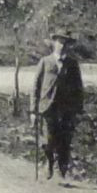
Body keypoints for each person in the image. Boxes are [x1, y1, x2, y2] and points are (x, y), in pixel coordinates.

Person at [32, 30, 85, 181]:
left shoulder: (72, 64)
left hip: (66, 109)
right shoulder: (45, 61)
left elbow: (78, 87)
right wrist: (33, 110)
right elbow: (36, 86)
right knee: (48, 140)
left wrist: (78, 109)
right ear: (54, 43)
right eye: (59, 42)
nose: (62, 45)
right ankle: (49, 163)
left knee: (64, 141)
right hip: (47, 107)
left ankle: (61, 171)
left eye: (65, 43)